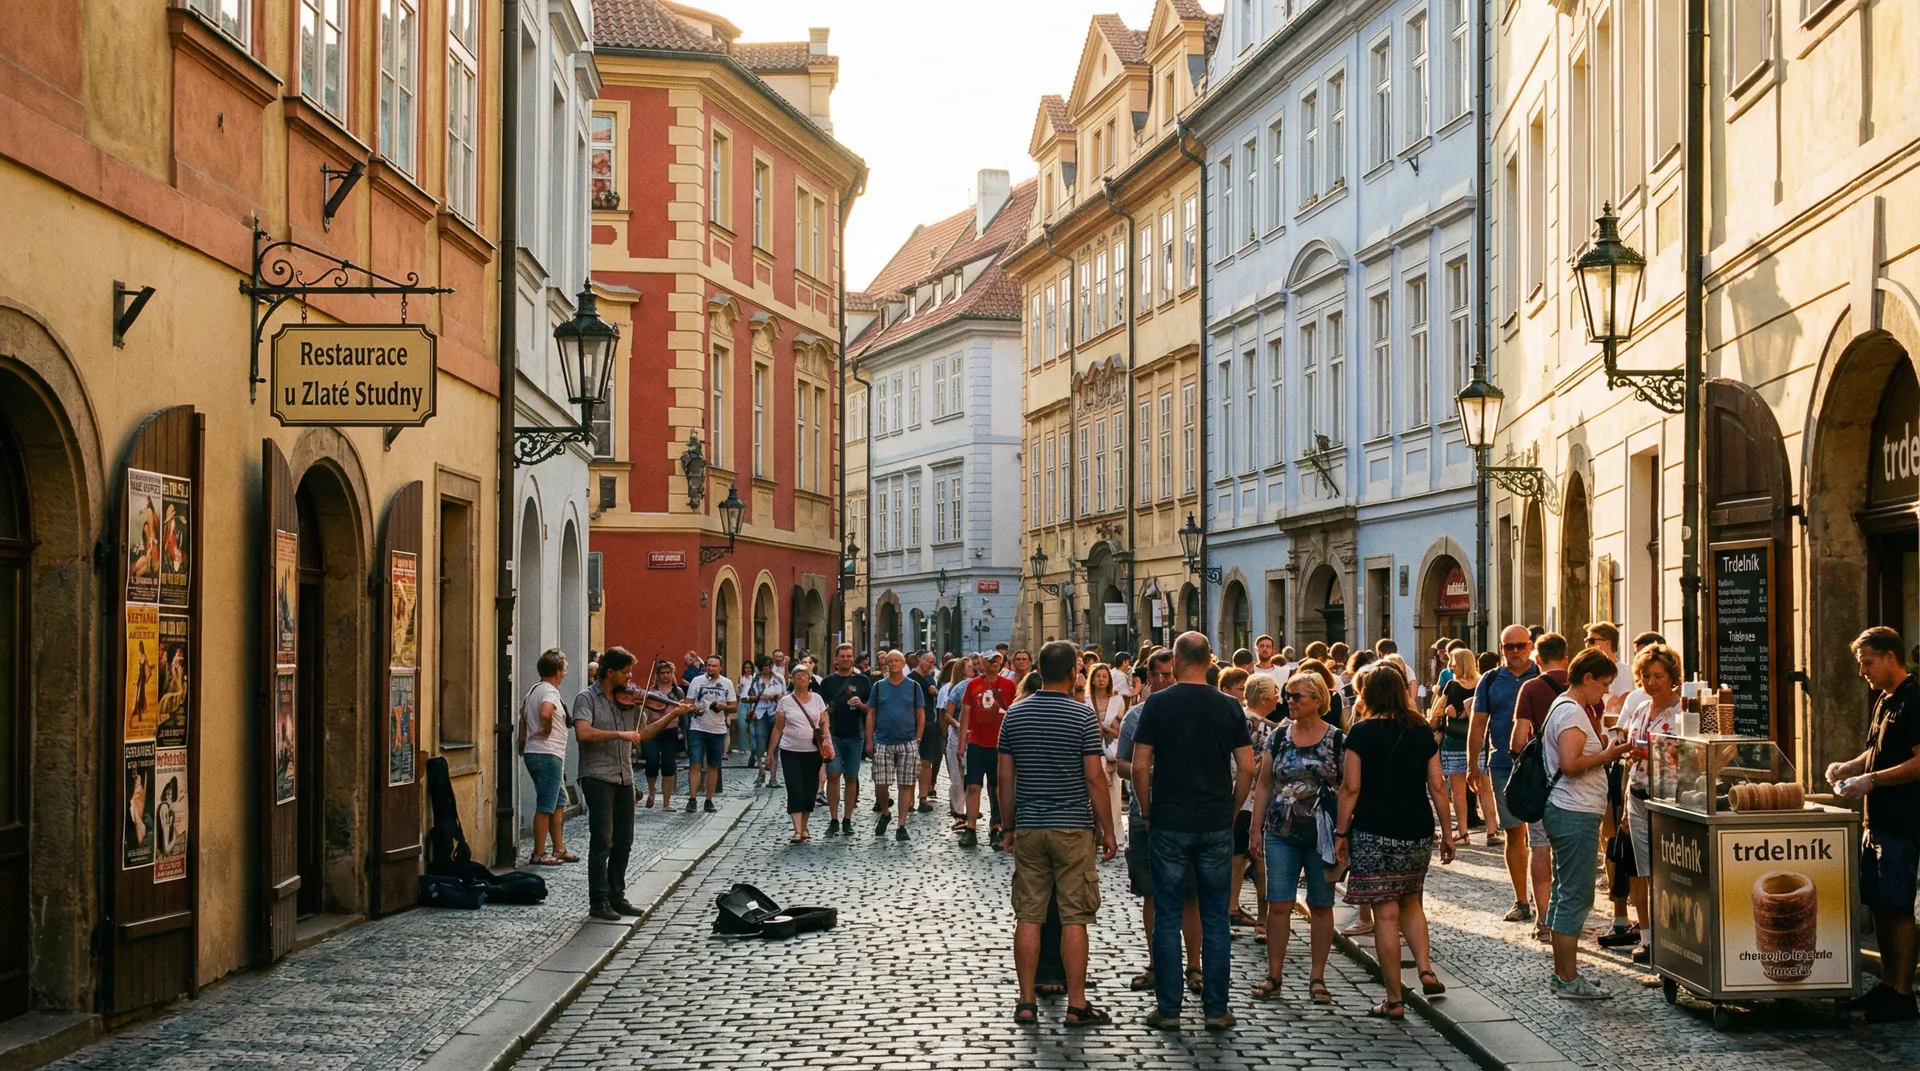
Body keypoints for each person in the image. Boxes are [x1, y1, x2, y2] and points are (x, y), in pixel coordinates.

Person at [1131, 632, 1254, 1032]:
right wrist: (1233, 808)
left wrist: (1148, 811)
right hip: (1215, 820)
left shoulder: (1158, 704)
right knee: (1216, 917)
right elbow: (1249, 768)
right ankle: (1216, 1009)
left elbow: (1139, 765)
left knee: (1167, 916)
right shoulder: (1230, 707)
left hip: (1169, 820)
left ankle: (1168, 1010)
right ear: (1209, 660)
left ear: (1178, 661)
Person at [998, 641, 1118, 1027]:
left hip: (1031, 825)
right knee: (1073, 916)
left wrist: (1008, 824)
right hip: (1072, 826)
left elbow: (1005, 777)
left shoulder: (1014, 714)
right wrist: (1109, 829)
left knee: (1029, 914)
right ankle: (1077, 1003)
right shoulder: (1081, 716)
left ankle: (1026, 1001)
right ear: (1072, 673)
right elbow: (1095, 777)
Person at [1334, 663, 1455, 1019]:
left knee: (1385, 914)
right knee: (1412, 902)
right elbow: (1437, 786)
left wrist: (1342, 833)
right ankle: (1426, 969)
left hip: (1374, 829)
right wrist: (1447, 833)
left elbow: (1350, 788)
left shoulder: (1361, 733)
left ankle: (1394, 999)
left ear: (1369, 694)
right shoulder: (1421, 731)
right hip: (1416, 828)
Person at [1826, 626, 1920, 1023]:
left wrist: (1874, 780)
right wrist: (1851, 767)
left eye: (1867, 662)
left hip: (1903, 821)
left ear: (1890, 658)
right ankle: (1886, 985)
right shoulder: (1884, 700)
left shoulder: (1914, 698)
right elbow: (1876, 752)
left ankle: (1903, 992)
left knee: (1899, 907)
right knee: (1879, 904)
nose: (1863, 670)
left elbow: (1918, 762)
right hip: (1875, 820)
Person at [1540, 648, 1630, 999]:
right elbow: (1571, 763)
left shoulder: (1567, 707)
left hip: (1570, 810)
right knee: (1576, 895)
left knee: (1568, 892)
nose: (1606, 692)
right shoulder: (1571, 713)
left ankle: (1563, 974)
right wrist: (1610, 753)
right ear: (1587, 679)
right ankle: (1567, 978)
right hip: (1572, 811)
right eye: (1604, 684)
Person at [1249, 670, 1342, 1004]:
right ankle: (1274, 974)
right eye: (1287, 695)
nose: (1289, 701)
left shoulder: (1335, 739)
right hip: (1281, 831)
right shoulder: (1279, 737)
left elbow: (1347, 789)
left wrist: (1344, 832)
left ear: (1317, 700)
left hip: (1321, 835)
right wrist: (1255, 829)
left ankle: (1317, 977)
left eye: (1296, 696)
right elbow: (1263, 785)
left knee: (1320, 904)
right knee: (1279, 904)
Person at [573, 647, 682, 920]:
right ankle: (598, 901)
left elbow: (642, 735)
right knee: (602, 841)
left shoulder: (631, 700)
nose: (631, 678)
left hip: (624, 776)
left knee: (624, 841)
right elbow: (583, 732)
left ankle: (616, 896)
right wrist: (619, 734)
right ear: (610, 672)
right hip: (597, 775)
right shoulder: (586, 698)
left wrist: (671, 714)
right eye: (626, 672)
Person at [1618, 641, 1681, 964]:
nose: (1652, 682)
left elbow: (1685, 757)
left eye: (1658, 676)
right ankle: (1647, 937)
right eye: (1646, 676)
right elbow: (1630, 755)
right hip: (1638, 796)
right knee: (1642, 870)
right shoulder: (1641, 710)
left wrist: (1651, 755)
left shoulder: (1682, 711)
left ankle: (1672, 936)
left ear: (1672, 677)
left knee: (1667, 870)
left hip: (1669, 799)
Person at [1475, 625, 1541, 924]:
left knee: (1542, 837)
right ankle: (1521, 900)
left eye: (1520, 646)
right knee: (1513, 833)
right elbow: (1478, 724)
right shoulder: (1490, 680)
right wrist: (1472, 764)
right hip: (1502, 764)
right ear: (1501, 649)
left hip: (1541, 767)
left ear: (1530, 645)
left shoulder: (1542, 676)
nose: (1515, 652)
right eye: (1509, 647)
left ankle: (1545, 901)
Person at [1511, 632, 1570, 940]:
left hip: (1542, 782)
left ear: (1538, 658)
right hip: (1578, 781)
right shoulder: (1580, 685)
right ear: (1566, 656)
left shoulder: (1531, 688)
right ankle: (1568, 919)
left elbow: (1518, 739)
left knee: (1540, 847)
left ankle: (1544, 919)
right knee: (1569, 853)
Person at [1232, 674, 1279, 937]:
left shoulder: (1236, 718)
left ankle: (1231, 909)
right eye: (1276, 692)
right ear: (1264, 698)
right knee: (1260, 862)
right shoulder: (1271, 729)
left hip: (1236, 798)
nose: (1280, 698)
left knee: (1236, 859)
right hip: (1256, 801)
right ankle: (1263, 921)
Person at [1435, 647, 1495, 846]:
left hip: (1454, 742)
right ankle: (1492, 831)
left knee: (1458, 790)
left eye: (1453, 662)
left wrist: (1448, 710)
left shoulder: (1451, 685)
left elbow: (1436, 711)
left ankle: (1462, 832)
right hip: (1479, 741)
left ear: (1461, 663)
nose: (1451, 666)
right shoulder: (1482, 684)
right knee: (1486, 788)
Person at [521, 648, 575, 866]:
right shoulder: (550, 692)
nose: (565, 674)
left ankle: (559, 848)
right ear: (557, 672)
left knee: (559, 801)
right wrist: (546, 730)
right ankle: (539, 853)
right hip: (547, 753)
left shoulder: (533, 689)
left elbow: (522, 714)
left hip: (538, 752)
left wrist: (522, 741)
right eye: (564, 670)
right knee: (545, 804)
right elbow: (545, 712)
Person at [960, 651, 1018, 848]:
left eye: (997, 660)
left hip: (1000, 743)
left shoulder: (1009, 685)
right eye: (990, 661)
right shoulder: (973, 685)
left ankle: (997, 826)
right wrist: (962, 744)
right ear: (982, 663)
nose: (994, 664)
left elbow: (1013, 712)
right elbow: (966, 713)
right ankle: (971, 827)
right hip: (976, 742)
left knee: (998, 787)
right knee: (974, 785)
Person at [867, 651, 926, 840]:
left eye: (896, 661)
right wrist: (869, 740)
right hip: (883, 741)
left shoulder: (914, 687)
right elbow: (871, 714)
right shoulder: (878, 686)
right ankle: (885, 812)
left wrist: (918, 738)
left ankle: (901, 825)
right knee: (881, 783)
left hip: (907, 740)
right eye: (889, 661)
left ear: (903, 664)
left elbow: (920, 714)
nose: (892, 664)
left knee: (906, 783)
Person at [768, 661, 828, 843]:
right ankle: (797, 830)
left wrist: (827, 740)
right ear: (792, 680)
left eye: (804, 675)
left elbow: (824, 722)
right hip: (790, 750)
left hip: (812, 751)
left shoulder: (817, 699)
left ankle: (805, 826)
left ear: (810, 679)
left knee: (810, 789)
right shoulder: (785, 702)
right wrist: (770, 753)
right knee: (794, 788)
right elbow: (778, 728)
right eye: (797, 675)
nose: (800, 678)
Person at [818, 643, 872, 837]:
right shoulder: (827, 682)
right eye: (843, 656)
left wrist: (862, 706)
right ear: (836, 659)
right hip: (834, 736)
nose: (846, 659)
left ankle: (847, 819)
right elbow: (820, 710)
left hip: (855, 736)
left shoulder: (863, 682)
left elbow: (871, 711)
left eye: (849, 656)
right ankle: (833, 819)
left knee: (851, 778)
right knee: (833, 776)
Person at [683, 656, 736, 814]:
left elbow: (734, 706)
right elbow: (688, 703)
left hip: (718, 729)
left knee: (714, 765)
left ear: (720, 668)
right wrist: (694, 709)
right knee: (695, 763)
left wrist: (723, 706)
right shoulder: (697, 681)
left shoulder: (727, 683)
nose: (711, 668)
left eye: (715, 666)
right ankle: (692, 799)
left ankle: (709, 799)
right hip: (698, 727)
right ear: (705, 666)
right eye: (709, 666)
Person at [637, 660, 687, 808]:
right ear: (657, 675)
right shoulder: (651, 692)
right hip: (652, 730)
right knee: (651, 762)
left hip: (670, 731)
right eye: (662, 673)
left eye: (668, 673)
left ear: (672, 674)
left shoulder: (677, 692)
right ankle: (651, 793)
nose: (665, 676)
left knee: (668, 765)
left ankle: (667, 802)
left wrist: (681, 731)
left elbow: (682, 716)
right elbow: (644, 713)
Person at [1088, 663, 1126, 835]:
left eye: (1104, 676)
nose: (1101, 679)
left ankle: (1115, 833)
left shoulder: (1117, 700)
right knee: (1094, 793)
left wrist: (1109, 730)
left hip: (1112, 750)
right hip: (1093, 751)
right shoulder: (1086, 701)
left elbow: (1122, 731)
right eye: (1098, 676)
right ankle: (1098, 833)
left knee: (1115, 794)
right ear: (1093, 679)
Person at [742, 657, 786, 788]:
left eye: (767, 666)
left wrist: (771, 697)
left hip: (775, 712)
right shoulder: (757, 679)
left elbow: (784, 696)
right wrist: (754, 702)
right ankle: (761, 773)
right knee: (760, 745)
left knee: (775, 746)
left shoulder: (779, 679)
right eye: (763, 666)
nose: (765, 668)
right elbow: (750, 696)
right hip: (760, 714)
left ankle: (773, 778)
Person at [913, 652, 944, 812]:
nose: (929, 664)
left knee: (926, 762)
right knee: (910, 763)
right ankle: (909, 799)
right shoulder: (911, 678)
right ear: (920, 660)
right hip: (913, 724)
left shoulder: (931, 679)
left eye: (932, 662)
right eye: (927, 661)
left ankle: (923, 798)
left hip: (930, 724)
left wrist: (936, 693)